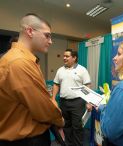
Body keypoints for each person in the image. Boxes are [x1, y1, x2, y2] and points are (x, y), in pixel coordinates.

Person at [0, 13, 64, 146]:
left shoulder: (22, 59)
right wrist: (60, 119)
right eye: (47, 35)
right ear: (30, 31)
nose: (50, 41)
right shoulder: (19, 62)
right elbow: (43, 110)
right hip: (26, 140)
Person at [52, 49, 92, 146]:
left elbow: (87, 85)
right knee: (66, 126)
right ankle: (69, 144)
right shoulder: (60, 70)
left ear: (74, 58)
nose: (64, 58)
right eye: (64, 56)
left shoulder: (82, 70)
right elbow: (56, 84)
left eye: (67, 56)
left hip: (77, 102)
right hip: (64, 102)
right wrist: (53, 99)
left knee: (77, 127)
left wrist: (88, 101)